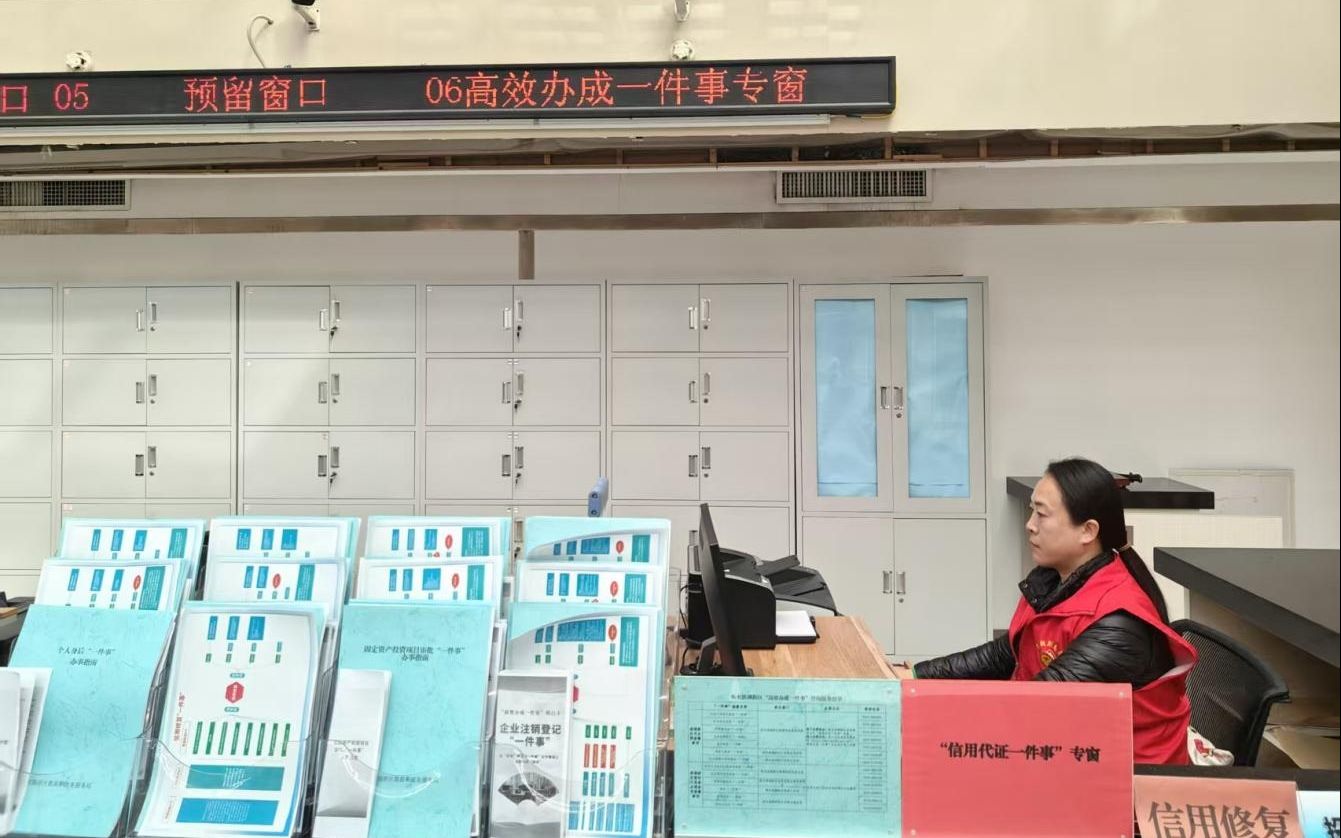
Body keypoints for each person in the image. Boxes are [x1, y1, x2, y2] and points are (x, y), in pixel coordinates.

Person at [892, 457, 1197, 765]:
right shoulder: (1054, 582)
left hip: (1132, 780)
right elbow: (1008, 652)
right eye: (1032, 511)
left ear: (1087, 531)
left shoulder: (1118, 624)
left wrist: (926, 708)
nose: (1030, 524)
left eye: (1041, 514)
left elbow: (1035, 708)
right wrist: (916, 676)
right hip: (1072, 752)